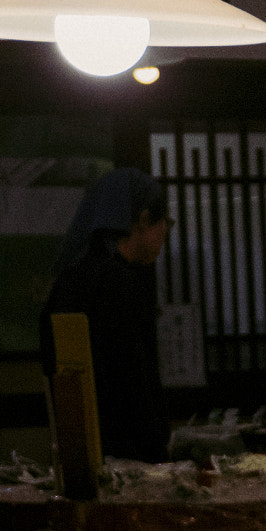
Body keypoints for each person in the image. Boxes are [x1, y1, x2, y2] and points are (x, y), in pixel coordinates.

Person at [41, 167, 174, 464]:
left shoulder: (68, 281)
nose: (166, 229)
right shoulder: (121, 284)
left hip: (79, 454)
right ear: (142, 220)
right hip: (129, 459)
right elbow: (135, 383)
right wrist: (158, 455)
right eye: (165, 220)